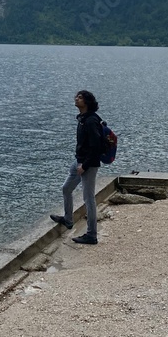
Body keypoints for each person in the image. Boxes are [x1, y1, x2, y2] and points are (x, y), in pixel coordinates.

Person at [50, 90, 104, 245]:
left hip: (87, 165)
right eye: (77, 96)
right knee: (66, 188)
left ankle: (91, 235)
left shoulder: (91, 121)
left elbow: (96, 147)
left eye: (80, 97)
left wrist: (85, 166)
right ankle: (68, 219)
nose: (76, 99)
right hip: (79, 161)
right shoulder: (82, 119)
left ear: (87, 102)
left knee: (88, 199)